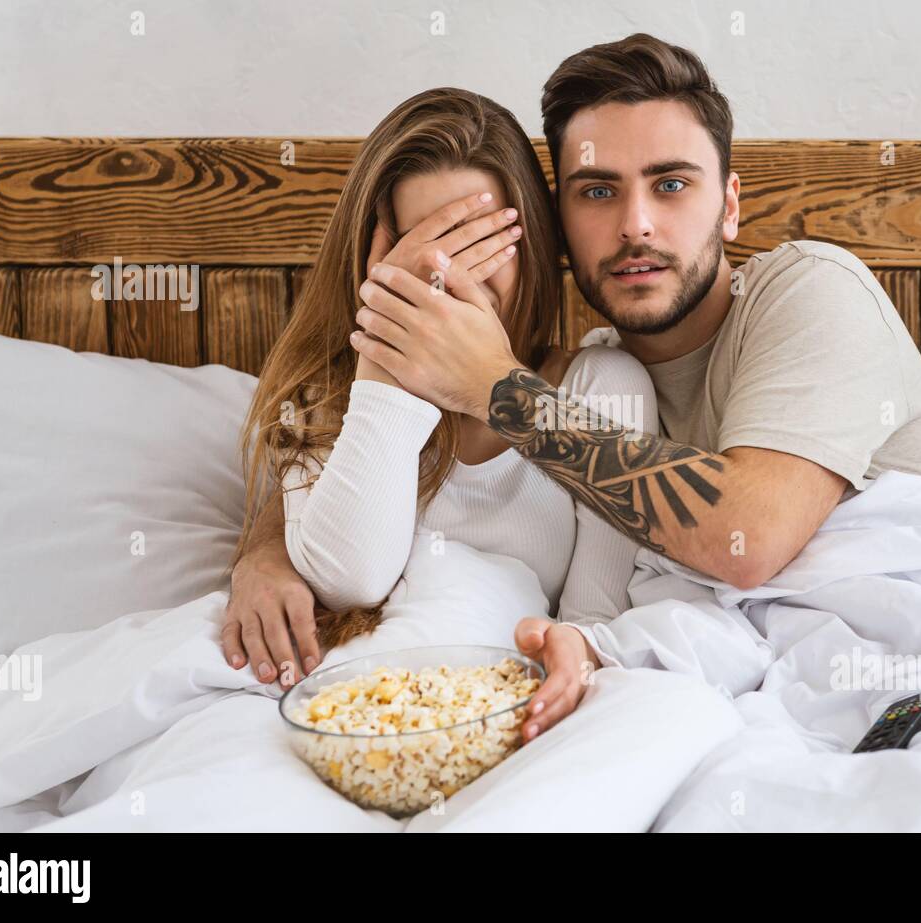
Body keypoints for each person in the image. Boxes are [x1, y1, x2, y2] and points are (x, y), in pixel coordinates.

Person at [347, 34, 921, 713]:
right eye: (597, 191)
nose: (634, 225)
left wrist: (498, 388)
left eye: (671, 184)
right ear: (558, 227)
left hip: (901, 677)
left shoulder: (814, 290)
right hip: (716, 688)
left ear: (730, 205)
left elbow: (748, 539)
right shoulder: (595, 379)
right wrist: (269, 551)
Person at [221, 87, 658, 745]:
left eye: (480, 240)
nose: (450, 273)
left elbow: (597, 610)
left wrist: (575, 648)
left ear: (532, 242)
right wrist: (385, 361)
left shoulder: (602, 386)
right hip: (351, 706)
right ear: (379, 254)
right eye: (425, 244)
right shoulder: (337, 393)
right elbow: (351, 578)